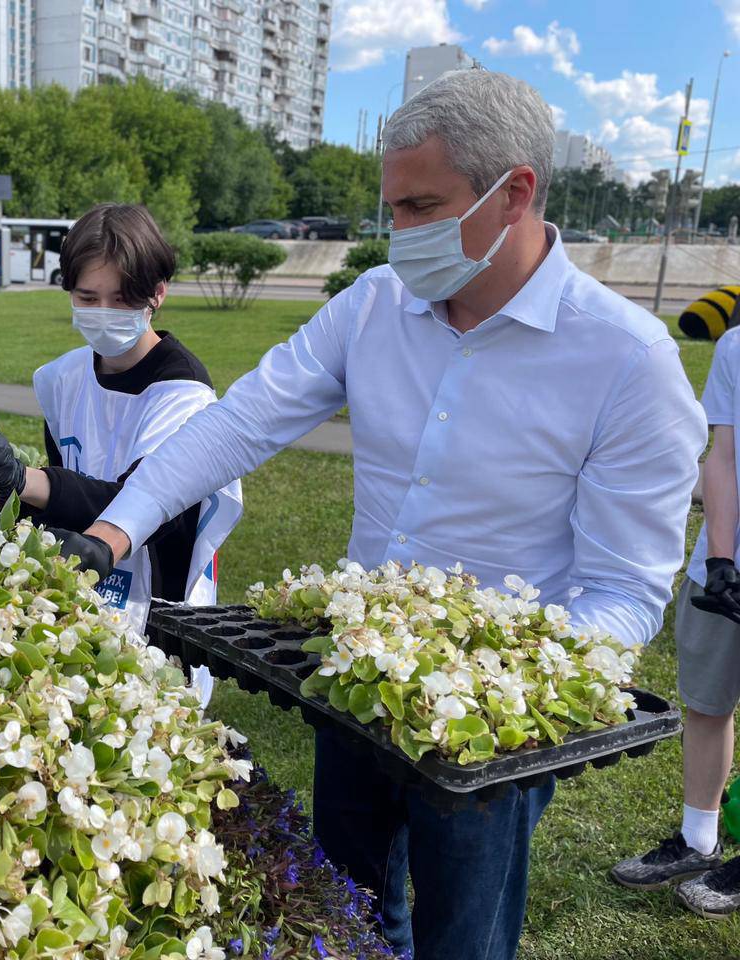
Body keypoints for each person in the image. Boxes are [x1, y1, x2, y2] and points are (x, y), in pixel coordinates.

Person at [74, 70, 706, 960]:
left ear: (513, 192)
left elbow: (624, 593)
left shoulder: (627, 363)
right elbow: (241, 423)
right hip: (354, 677)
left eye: (421, 208)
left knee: (464, 937)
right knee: (347, 909)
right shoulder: (373, 306)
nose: (399, 235)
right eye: (392, 210)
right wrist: (113, 528)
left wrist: (496, 694)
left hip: (494, 735)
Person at [0, 203, 243, 634]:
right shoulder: (62, 378)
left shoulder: (184, 391)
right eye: (87, 297)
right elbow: (64, 494)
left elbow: (145, 503)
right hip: (83, 586)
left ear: (158, 293)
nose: (103, 311)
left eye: (122, 299)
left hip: (160, 599)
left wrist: (24, 479)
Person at [611, 327, 740, 918]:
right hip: (723, 569)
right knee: (707, 705)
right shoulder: (736, 346)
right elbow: (723, 455)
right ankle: (698, 840)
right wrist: (719, 558)